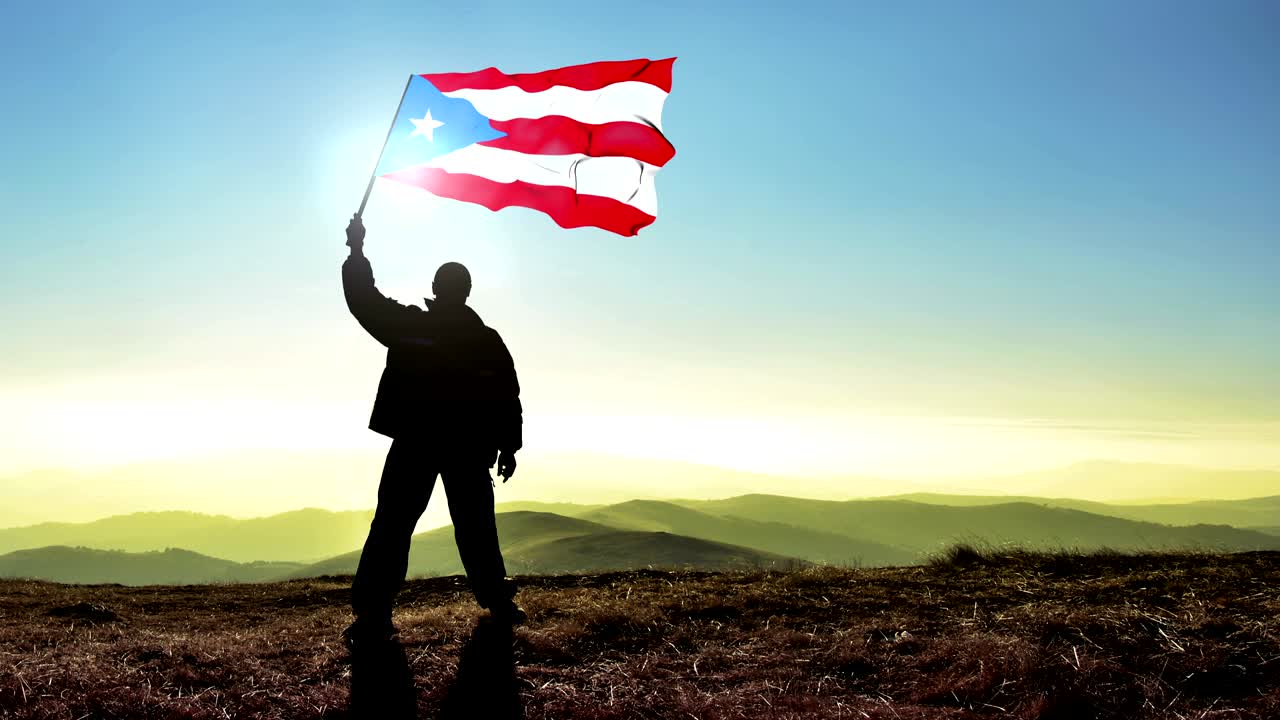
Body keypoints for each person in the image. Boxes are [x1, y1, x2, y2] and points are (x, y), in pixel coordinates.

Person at [341, 213, 525, 645]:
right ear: (463, 292)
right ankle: (496, 601)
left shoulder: (415, 328)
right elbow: (508, 395)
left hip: (420, 442)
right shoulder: (483, 339)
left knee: (394, 526)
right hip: (457, 446)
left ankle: (375, 613)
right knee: (471, 527)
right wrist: (508, 446)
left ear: (438, 289)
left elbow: (363, 300)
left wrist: (356, 250)